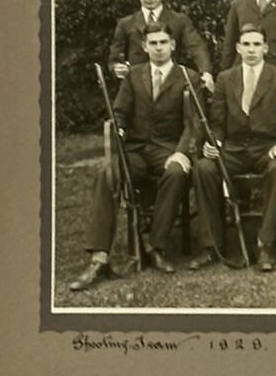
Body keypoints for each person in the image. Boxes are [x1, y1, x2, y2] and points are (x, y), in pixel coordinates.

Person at [70, 22, 202, 291]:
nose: (158, 48)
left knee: (176, 173)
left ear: (173, 45)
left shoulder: (188, 77)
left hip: (167, 148)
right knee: (106, 174)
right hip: (136, 150)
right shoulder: (134, 76)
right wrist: (118, 128)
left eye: (163, 42)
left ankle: (154, 245)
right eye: (153, 43)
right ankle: (99, 257)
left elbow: (194, 123)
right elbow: (120, 112)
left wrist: (180, 153)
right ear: (144, 47)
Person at [190, 24, 276, 272]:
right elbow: (217, 123)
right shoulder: (225, 79)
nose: (251, 50)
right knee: (204, 168)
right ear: (238, 48)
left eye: (257, 44)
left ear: (266, 48)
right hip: (233, 148)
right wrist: (214, 142)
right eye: (246, 45)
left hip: (266, 147)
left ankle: (265, 243)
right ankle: (211, 245)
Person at [108, 0, 215, 92]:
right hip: (137, 88)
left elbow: (196, 47)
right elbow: (115, 58)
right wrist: (117, 68)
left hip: (170, 86)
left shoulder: (179, 20)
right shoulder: (126, 23)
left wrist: (206, 72)